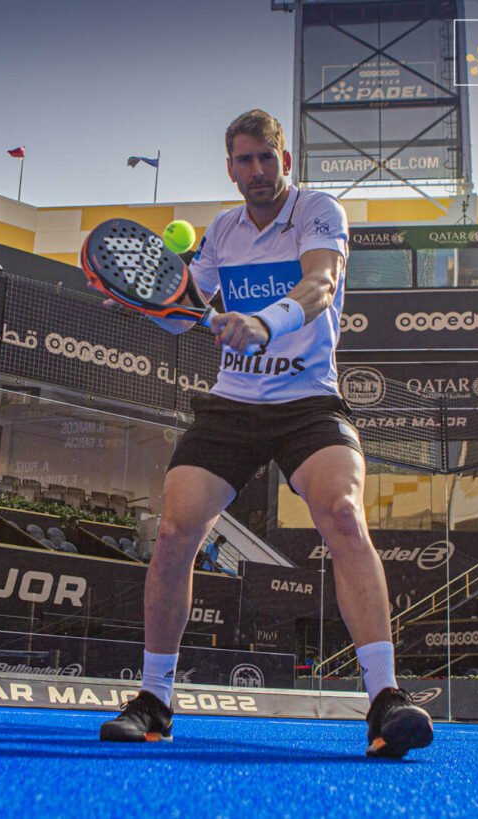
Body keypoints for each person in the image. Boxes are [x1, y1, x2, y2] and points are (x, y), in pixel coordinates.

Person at [98, 110, 432, 757]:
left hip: (309, 401)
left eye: (266, 158)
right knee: (173, 532)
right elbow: (183, 313)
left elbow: (320, 284)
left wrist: (263, 322)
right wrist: (146, 303)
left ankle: (385, 700)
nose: (256, 170)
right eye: (244, 160)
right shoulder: (222, 231)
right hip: (233, 404)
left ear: (286, 160)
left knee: (343, 514)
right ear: (230, 168)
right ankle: (154, 699)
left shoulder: (317, 211)